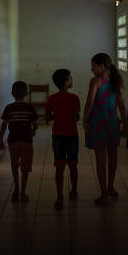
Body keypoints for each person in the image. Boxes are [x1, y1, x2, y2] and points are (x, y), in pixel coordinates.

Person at [83, 53, 128, 206]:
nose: (91, 69)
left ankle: (103, 195)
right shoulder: (115, 81)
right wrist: (126, 125)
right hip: (112, 124)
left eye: (93, 66)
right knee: (113, 158)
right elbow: (121, 106)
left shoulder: (96, 81)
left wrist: (84, 120)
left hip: (98, 125)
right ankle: (110, 188)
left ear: (102, 66)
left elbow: (89, 103)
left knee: (101, 162)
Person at [45, 69, 81, 210]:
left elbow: (48, 117)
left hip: (57, 136)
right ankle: (73, 190)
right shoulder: (74, 98)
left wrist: (57, 117)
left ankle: (59, 197)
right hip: (72, 135)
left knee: (59, 167)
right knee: (73, 165)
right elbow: (76, 117)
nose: (72, 79)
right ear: (66, 82)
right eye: (70, 78)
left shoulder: (52, 98)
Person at [0, 81, 39, 202]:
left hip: (13, 141)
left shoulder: (9, 108)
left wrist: (0, 140)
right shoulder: (30, 108)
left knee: (14, 164)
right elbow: (35, 124)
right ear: (26, 93)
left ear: (12, 94)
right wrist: (33, 131)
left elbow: (4, 124)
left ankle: (16, 188)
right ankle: (23, 192)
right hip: (26, 141)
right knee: (25, 167)